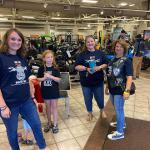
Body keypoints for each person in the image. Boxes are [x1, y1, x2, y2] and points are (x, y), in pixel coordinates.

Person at [0, 28, 49, 150]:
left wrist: (32, 97)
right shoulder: (1, 58)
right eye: (13, 39)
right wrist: (2, 107)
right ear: (6, 40)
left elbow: (27, 80)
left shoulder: (22, 58)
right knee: (12, 132)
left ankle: (42, 147)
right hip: (9, 104)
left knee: (36, 124)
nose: (16, 42)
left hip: (26, 100)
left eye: (19, 40)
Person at [75, 35, 108, 121]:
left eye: (91, 41)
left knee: (100, 98)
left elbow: (106, 64)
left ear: (94, 42)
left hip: (98, 81)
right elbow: (76, 66)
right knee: (87, 99)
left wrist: (99, 67)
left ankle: (102, 110)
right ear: (85, 44)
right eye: (88, 42)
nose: (90, 43)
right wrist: (86, 68)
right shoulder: (81, 55)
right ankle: (90, 113)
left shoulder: (100, 53)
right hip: (86, 82)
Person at [105, 39, 133, 140]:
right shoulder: (112, 60)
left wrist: (127, 91)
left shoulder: (127, 61)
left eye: (120, 47)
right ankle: (122, 123)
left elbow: (129, 77)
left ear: (124, 48)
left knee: (119, 109)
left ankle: (120, 132)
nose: (118, 48)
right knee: (118, 108)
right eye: (117, 46)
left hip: (120, 90)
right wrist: (107, 87)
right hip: (112, 89)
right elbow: (110, 75)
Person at [37, 50, 61, 134]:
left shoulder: (55, 68)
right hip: (45, 91)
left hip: (54, 91)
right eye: (48, 57)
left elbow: (59, 80)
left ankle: (55, 124)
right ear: (44, 59)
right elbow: (38, 78)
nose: (50, 59)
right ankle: (49, 122)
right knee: (47, 108)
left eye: (51, 57)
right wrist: (43, 78)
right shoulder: (41, 68)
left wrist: (51, 76)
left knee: (54, 108)